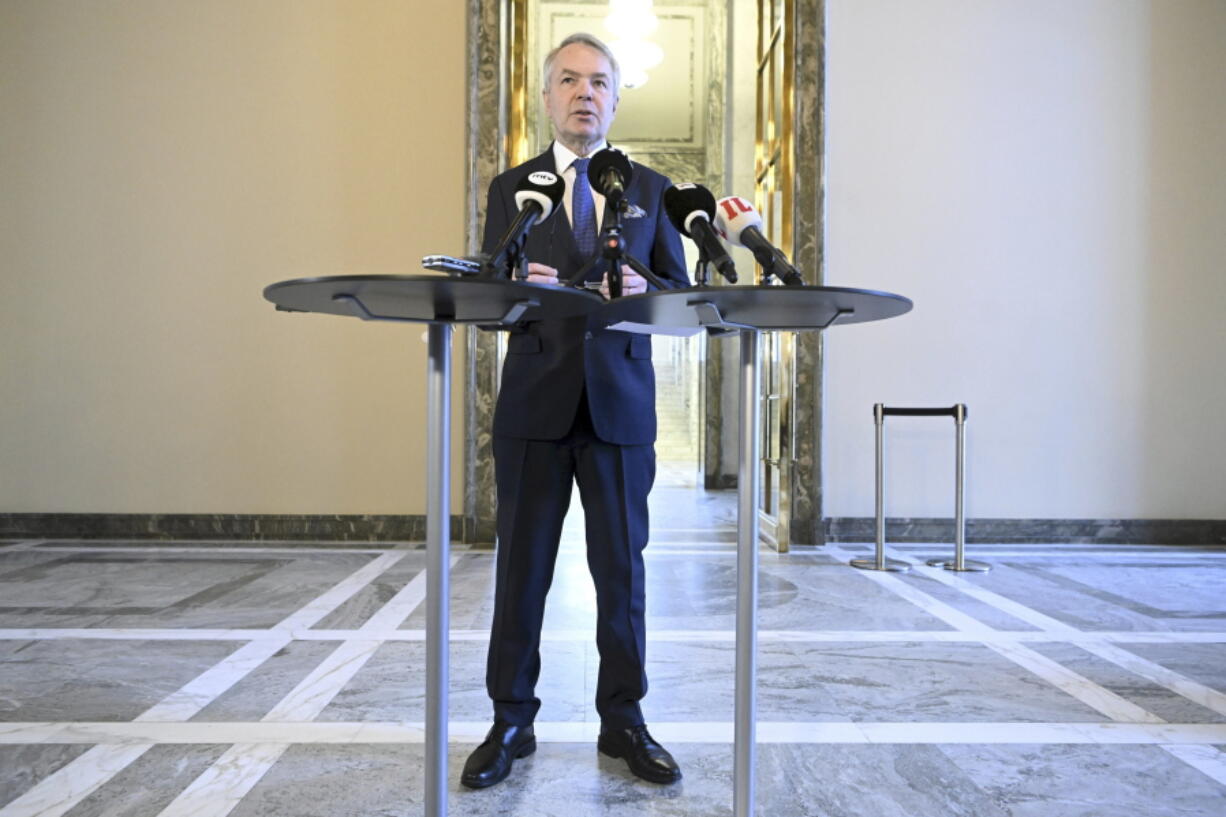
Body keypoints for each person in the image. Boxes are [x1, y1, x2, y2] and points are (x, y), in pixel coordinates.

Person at [461, 32, 690, 789]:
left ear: (617, 100)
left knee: (621, 573)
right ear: (548, 97)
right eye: (569, 80)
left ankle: (624, 720)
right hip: (534, 405)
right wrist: (519, 281)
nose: (584, 93)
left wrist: (643, 292)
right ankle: (510, 720)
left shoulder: (652, 189)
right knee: (521, 572)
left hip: (620, 406)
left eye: (598, 82)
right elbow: (493, 298)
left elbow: (680, 303)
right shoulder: (511, 187)